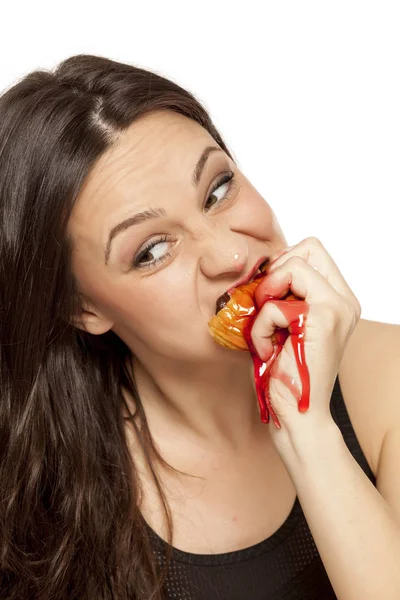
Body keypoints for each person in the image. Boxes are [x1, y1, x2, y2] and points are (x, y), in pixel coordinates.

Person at [0, 54, 399, 600]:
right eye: (154, 250)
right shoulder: (29, 486)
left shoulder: (389, 382)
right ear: (82, 309)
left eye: (218, 189)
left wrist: (308, 430)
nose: (233, 252)